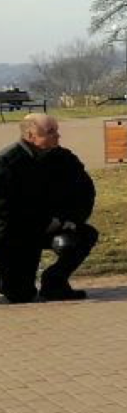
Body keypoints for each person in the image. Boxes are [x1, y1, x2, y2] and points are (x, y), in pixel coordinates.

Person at [0, 114, 97, 304]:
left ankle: (55, 282)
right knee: (20, 295)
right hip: (16, 233)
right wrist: (42, 222)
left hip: (56, 225)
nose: (57, 136)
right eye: (50, 132)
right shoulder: (8, 163)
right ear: (30, 135)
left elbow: (85, 192)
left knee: (83, 236)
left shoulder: (65, 158)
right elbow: (5, 209)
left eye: (57, 130)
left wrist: (72, 219)